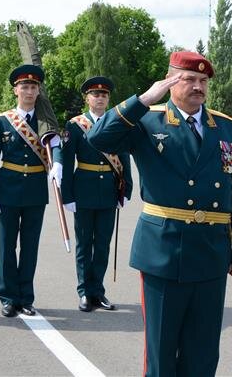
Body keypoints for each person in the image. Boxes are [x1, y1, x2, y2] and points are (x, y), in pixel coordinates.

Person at [88, 51, 232, 377]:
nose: (198, 87)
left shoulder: (226, 128)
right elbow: (97, 137)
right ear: (170, 81)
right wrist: (145, 98)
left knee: (203, 353)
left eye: (203, 81)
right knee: (162, 353)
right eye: (189, 79)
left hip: (211, 252)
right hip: (163, 251)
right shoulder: (147, 120)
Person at [0, 65, 62, 317]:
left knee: (30, 246)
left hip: (35, 191)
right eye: (24, 87)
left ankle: (26, 297)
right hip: (7, 189)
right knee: (7, 246)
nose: (29, 91)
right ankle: (8, 296)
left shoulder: (45, 123)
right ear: (15, 90)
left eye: (33, 87)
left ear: (39, 91)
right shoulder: (1, 121)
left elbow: (55, 146)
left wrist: (57, 163)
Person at [58, 76, 132, 312]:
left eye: (104, 95)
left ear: (108, 99)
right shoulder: (75, 125)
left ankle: (98, 291)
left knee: (102, 244)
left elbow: (124, 157)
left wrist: (126, 189)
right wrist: (67, 196)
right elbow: (68, 162)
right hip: (84, 190)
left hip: (109, 191)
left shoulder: (117, 122)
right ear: (87, 98)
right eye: (95, 94)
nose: (100, 98)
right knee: (83, 245)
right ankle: (84, 291)